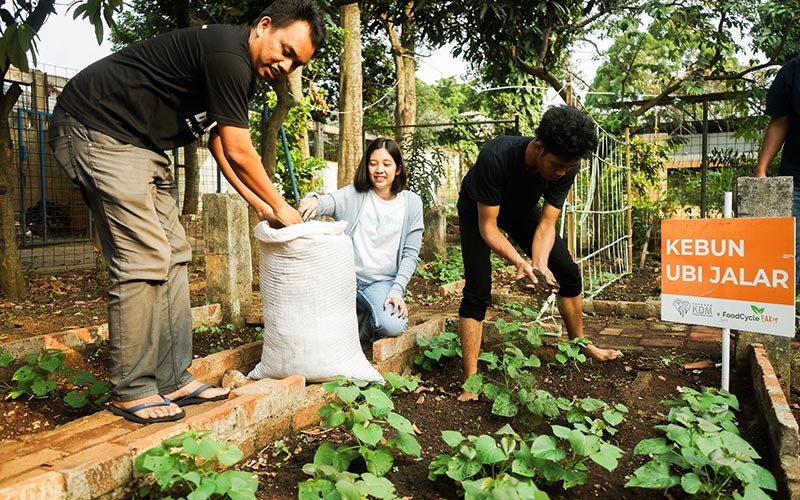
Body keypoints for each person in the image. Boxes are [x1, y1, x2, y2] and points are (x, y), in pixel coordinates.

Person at [47, 0, 327, 424]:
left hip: (143, 146)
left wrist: (258, 205)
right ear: (264, 26)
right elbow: (238, 148)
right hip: (97, 129)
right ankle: (134, 387)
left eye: (296, 62)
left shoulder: (243, 75)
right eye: (285, 50)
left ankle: (172, 376)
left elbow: (218, 144)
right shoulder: (227, 54)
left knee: (175, 255)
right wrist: (281, 206)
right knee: (143, 258)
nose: (286, 65)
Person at [456, 105, 621, 402]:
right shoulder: (496, 157)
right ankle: (470, 380)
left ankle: (579, 343)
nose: (561, 173)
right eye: (557, 165)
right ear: (538, 146)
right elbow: (489, 228)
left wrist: (539, 266)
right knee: (478, 288)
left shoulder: (566, 167)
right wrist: (519, 262)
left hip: (520, 210)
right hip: (478, 211)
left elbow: (546, 223)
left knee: (568, 273)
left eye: (567, 168)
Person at [298, 138, 424, 341]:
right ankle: (356, 317)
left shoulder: (411, 203)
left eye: (386, 164)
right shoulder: (354, 195)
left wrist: (397, 290)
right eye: (373, 163)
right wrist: (313, 199)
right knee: (311, 328)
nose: (379, 170)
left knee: (392, 325)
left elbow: (411, 254)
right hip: (344, 280)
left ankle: (361, 323)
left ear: (398, 169)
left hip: (381, 283)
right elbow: (326, 201)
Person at [754, 56, 800, 284]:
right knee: (789, 254)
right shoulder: (792, 71)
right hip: (796, 180)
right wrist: (761, 170)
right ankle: (789, 313)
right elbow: (780, 121)